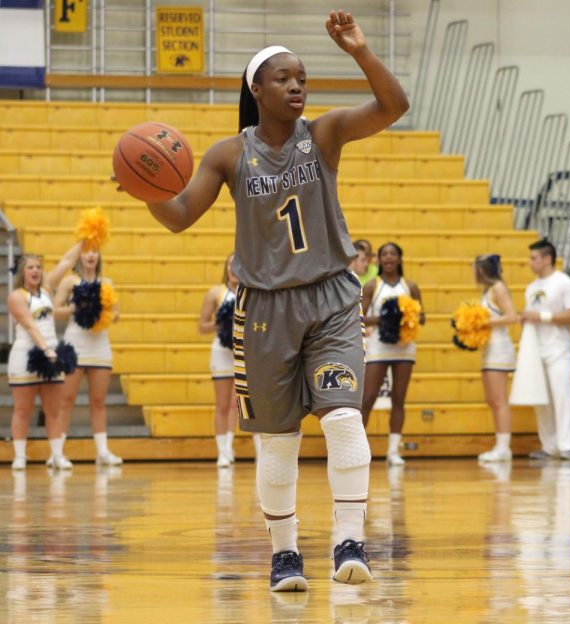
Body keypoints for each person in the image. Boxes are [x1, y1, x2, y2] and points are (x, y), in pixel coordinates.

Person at [128, 11, 409, 592]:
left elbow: (393, 106)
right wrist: (149, 191)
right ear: (256, 89)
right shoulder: (228, 154)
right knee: (277, 441)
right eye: (283, 78)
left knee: (343, 417)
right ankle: (285, 555)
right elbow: (180, 217)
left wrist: (359, 50)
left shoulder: (325, 134)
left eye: (302, 77)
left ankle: (348, 541)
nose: (297, 86)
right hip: (261, 311)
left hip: (331, 297)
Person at [8, 243, 83, 470]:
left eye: (38, 267)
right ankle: (20, 456)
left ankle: (57, 455)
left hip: (51, 354)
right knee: (23, 409)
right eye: (30, 267)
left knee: (54, 409)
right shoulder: (16, 296)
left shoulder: (47, 289)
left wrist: (86, 236)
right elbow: (30, 326)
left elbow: (67, 262)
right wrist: (46, 349)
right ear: (22, 272)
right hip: (26, 356)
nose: (35, 271)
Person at [54, 246, 123, 466]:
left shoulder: (107, 283)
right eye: (87, 251)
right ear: (79, 256)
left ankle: (102, 452)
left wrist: (103, 312)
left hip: (99, 344)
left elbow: (116, 314)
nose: (91, 255)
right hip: (75, 343)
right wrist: (77, 308)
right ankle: (57, 453)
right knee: (66, 399)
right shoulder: (69, 282)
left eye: (95, 251)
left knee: (98, 401)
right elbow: (54, 310)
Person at [360, 242, 426, 466]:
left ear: (399, 258)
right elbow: (360, 317)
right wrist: (385, 319)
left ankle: (393, 451)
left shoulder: (410, 286)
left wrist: (407, 318)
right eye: (384, 254)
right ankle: (358, 450)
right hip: (378, 346)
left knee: (398, 398)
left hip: (404, 348)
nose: (388, 257)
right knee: (368, 398)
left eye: (392, 253)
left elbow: (422, 317)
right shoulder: (371, 285)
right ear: (378, 260)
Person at [520, 239, 570, 460]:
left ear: (547, 259)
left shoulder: (565, 283)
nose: (530, 262)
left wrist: (542, 317)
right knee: (541, 399)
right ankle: (549, 445)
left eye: (534, 258)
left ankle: (568, 445)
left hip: (558, 349)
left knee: (562, 395)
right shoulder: (531, 288)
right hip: (536, 350)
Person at [472, 254, 518, 462]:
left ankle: (503, 448)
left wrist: (484, 323)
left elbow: (511, 317)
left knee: (499, 400)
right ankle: (500, 445)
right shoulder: (488, 290)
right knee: (492, 400)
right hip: (490, 348)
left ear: (481, 270)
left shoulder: (498, 288)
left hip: (500, 348)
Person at [198, 253, 240, 468]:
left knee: (236, 403)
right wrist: (222, 323)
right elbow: (201, 326)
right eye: (231, 265)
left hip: (243, 352)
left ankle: (229, 446)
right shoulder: (216, 293)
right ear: (226, 268)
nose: (233, 268)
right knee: (222, 403)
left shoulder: (250, 292)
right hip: (221, 352)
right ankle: (221, 451)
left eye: (238, 264)